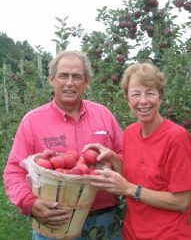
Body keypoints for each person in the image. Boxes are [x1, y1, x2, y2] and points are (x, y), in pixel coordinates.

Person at [3, 51, 123, 240]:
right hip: (54, 223)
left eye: (77, 76)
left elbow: (126, 158)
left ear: (87, 81)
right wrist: (30, 204)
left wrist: (114, 162)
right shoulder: (33, 121)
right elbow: (14, 172)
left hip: (104, 221)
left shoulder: (104, 115)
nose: (69, 83)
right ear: (51, 79)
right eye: (63, 76)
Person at [85, 62, 191, 240]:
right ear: (127, 99)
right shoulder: (130, 133)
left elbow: (181, 202)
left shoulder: (177, 138)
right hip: (133, 234)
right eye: (136, 94)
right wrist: (113, 158)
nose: (143, 101)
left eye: (150, 93)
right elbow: (134, 178)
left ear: (160, 97)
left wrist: (129, 189)